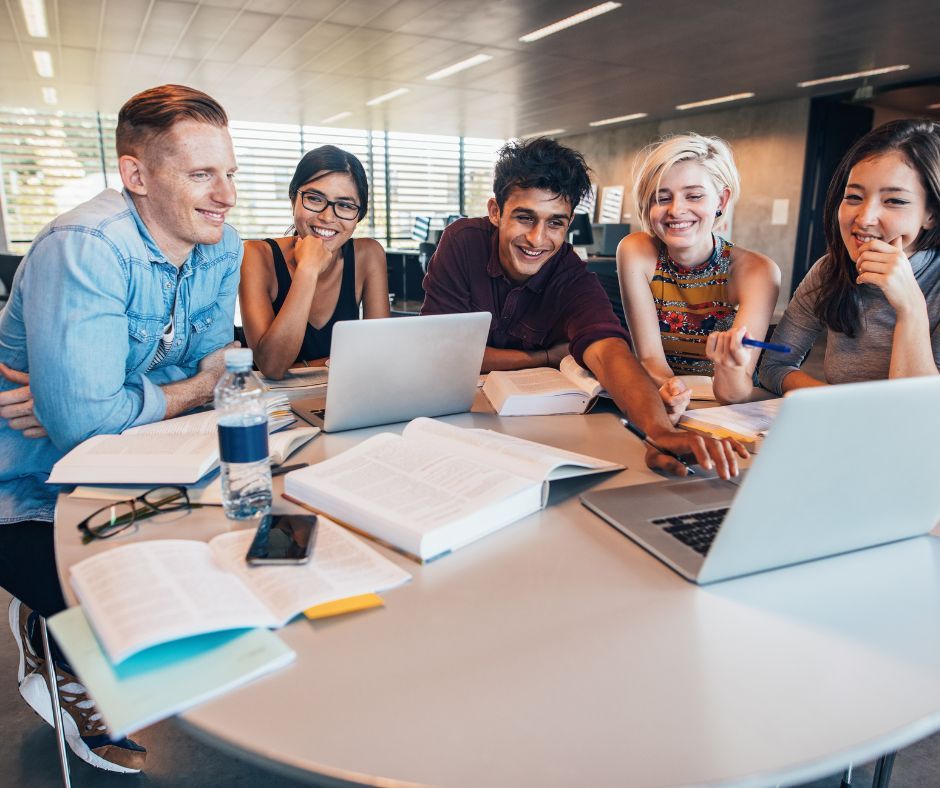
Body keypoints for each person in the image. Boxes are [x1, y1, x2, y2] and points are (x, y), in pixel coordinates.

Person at [0, 84, 243, 773]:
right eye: (201, 174)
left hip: (142, 466)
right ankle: (55, 638)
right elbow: (85, 427)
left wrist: (114, 399)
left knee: (240, 557)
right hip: (26, 487)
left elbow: (215, 376)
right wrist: (189, 388)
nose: (224, 194)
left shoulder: (219, 245)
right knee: (142, 602)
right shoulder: (85, 247)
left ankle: (68, 622)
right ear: (135, 175)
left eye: (230, 172)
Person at [421, 136, 745, 478]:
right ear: (495, 212)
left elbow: (608, 351)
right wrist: (544, 357)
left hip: (533, 430)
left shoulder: (570, 274)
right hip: (454, 420)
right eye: (525, 218)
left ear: (569, 222)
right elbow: (442, 352)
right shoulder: (462, 242)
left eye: (555, 223)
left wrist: (659, 431)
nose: (537, 239)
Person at [759, 119, 940, 394]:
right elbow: (774, 366)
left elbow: (922, 413)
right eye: (854, 197)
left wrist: (910, 307)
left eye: (894, 201)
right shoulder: (829, 270)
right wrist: (837, 406)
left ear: (931, 214)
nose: (865, 218)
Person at [617, 133, 780, 419]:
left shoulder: (758, 272)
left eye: (694, 196)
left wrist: (729, 367)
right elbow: (650, 359)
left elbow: (736, 393)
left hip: (728, 413)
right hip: (664, 402)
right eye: (662, 198)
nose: (676, 210)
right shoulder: (636, 251)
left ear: (722, 199)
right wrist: (672, 389)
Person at [239, 145, 389, 379]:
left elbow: (379, 356)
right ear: (293, 200)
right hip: (278, 406)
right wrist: (308, 269)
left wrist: (301, 368)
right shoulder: (256, 255)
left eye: (346, 205)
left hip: (346, 396)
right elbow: (272, 366)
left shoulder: (368, 255)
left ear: (358, 215)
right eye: (314, 198)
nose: (327, 217)